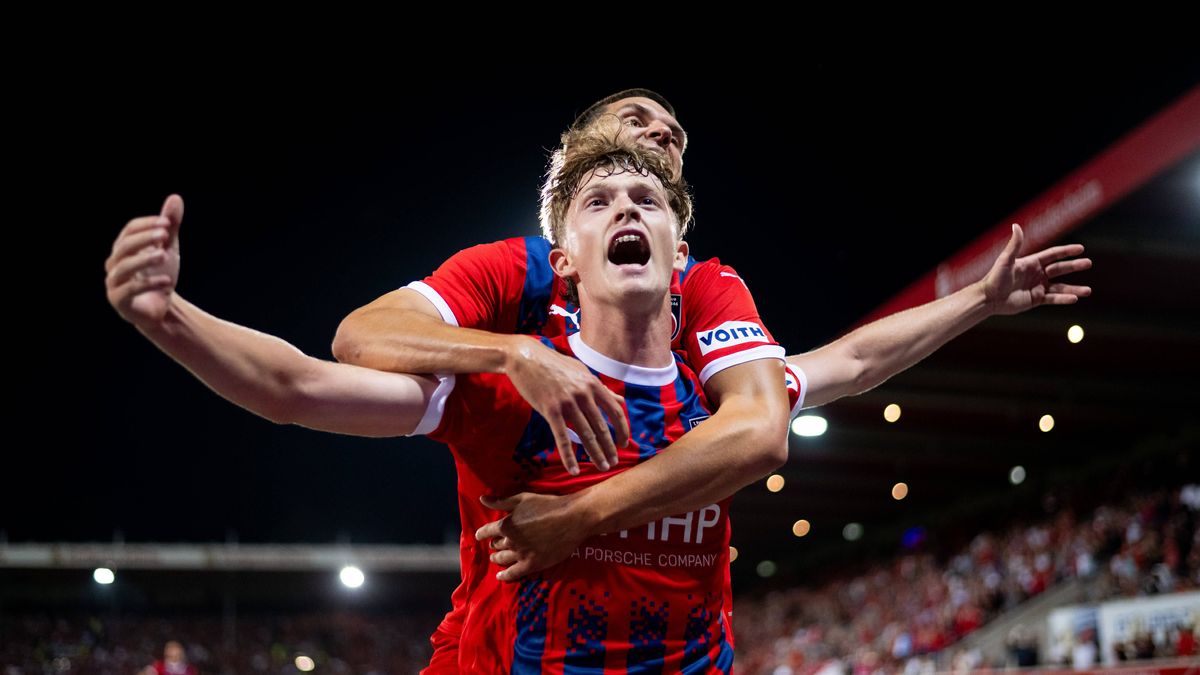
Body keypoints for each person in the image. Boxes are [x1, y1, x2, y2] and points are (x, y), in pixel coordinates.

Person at [108, 135, 749, 671]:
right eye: (598, 202)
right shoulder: (510, 390)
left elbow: (854, 363)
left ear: (681, 255)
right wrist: (170, 319)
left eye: (647, 201)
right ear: (565, 260)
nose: (626, 211)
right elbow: (296, 387)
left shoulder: (726, 403)